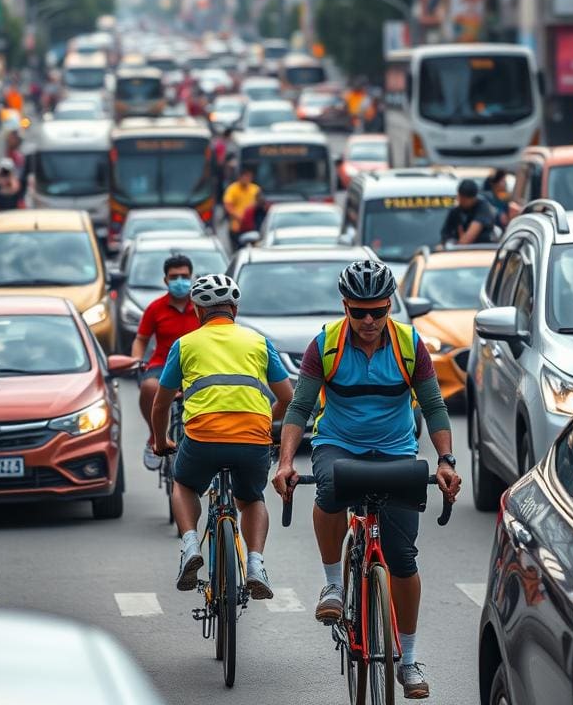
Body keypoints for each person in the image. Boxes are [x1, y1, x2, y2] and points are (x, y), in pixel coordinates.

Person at [273, 260, 461, 700]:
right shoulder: (325, 345)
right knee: (332, 488)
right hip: (338, 443)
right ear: (345, 307)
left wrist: (447, 460)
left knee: (402, 558)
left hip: (395, 449)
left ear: (390, 305)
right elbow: (298, 409)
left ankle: (408, 660)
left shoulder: (410, 345)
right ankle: (334, 584)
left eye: (378, 310)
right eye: (359, 312)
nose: (369, 321)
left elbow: (434, 407)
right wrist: (284, 461)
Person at [151, 274, 294, 599]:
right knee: (252, 499)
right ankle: (256, 563)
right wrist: (262, 422)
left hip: (203, 438)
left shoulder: (185, 344)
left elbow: (161, 404)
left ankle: (189, 546)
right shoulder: (258, 342)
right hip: (253, 438)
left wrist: (161, 441)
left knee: (184, 485)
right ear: (234, 308)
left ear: (198, 311)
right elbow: (287, 398)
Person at [131, 254, 200, 471]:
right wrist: (136, 361)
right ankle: (155, 436)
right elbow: (141, 340)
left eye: (184, 276)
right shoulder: (155, 308)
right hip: (162, 364)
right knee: (149, 387)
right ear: (165, 280)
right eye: (174, 276)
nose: (180, 280)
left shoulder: (201, 306)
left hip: (196, 365)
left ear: (192, 277)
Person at [440, 179, 496, 245]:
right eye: (460, 197)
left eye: (464, 199)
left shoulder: (483, 208)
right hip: (456, 251)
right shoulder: (455, 211)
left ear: (473, 198)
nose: (460, 200)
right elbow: (445, 235)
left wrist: (460, 242)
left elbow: (467, 240)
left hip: (481, 251)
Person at [223, 167, 260, 248]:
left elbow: (260, 204)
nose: (246, 179)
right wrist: (239, 217)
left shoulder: (255, 189)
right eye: (244, 176)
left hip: (252, 227)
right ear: (239, 177)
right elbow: (228, 205)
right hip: (237, 227)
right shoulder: (232, 189)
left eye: (248, 176)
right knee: (238, 249)